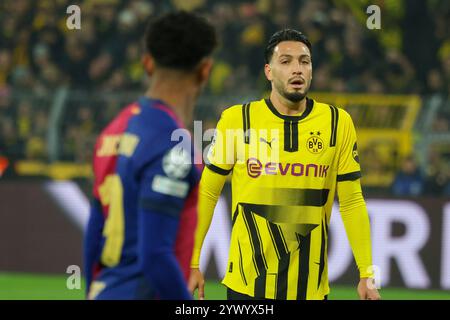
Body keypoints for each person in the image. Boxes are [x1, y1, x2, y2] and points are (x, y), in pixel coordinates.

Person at [188, 29, 381, 300]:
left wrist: (366, 272)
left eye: (304, 61)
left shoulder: (337, 123)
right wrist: (192, 261)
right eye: (286, 61)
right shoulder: (238, 121)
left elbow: (351, 202)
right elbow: (208, 192)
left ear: (312, 70)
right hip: (247, 288)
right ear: (269, 71)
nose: (297, 69)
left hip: (311, 290)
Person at [83, 11, 217, 300]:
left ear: (147, 63)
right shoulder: (174, 145)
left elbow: (95, 232)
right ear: (205, 70)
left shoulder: (112, 132)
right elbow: (155, 255)